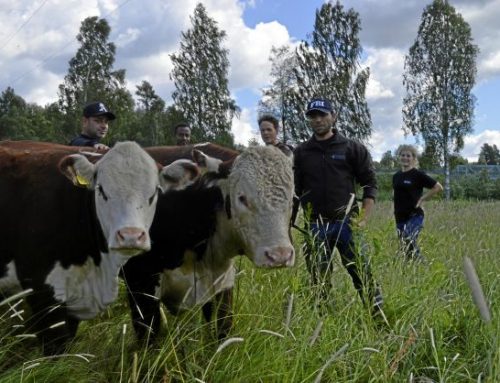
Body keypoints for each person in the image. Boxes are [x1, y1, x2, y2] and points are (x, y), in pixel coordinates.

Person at [293, 97, 383, 317]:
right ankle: (323, 322)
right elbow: (294, 192)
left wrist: (362, 218)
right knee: (318, 279)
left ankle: (378, 319)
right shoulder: (302, 153)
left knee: (362, 274)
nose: (318, 120)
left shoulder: (352, 148)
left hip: (347, 225)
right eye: (313, 116)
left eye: (322, 115)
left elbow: (370, 184)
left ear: (333, 116)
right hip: (315, 227)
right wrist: (288, 223)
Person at [393, 145, 443, 261]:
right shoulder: (396, 176)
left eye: (408, 156)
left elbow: (438, 187)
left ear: (413, 158)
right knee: (405, 248)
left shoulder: (417, 175)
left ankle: (423, 264)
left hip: (415, 215)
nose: (405, 158)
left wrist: (422, 199)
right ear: (399, 157)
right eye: (403, 155)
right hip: (399, 216)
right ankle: (410, 271)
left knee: (408, 238)